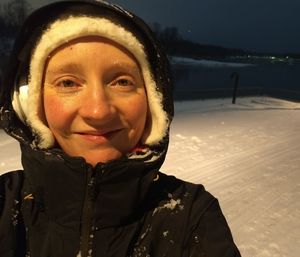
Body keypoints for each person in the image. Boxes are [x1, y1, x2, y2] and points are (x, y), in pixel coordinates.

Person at [0, 1, 241, 256]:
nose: (98, 111)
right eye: (68, 82)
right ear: (31, 103)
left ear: (153, 102)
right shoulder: (5, 203)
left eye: (122, 82)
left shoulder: (192, 216)